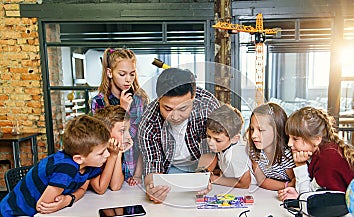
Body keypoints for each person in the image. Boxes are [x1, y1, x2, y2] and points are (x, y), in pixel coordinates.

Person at [0, 115, 111, 217]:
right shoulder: (65, 168)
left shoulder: (89, 164)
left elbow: (82, 189)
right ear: (78, 158)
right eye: (101, 153)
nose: (107, 155)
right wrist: (66, 201)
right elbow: (43, 206)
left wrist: (68, 199)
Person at [138, 67, 220, 203]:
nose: (175, 117)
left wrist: (201, 177)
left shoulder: (208, 107)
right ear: (158, 99)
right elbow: (153, 165)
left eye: (183, 108)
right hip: (170, 169)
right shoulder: (148, 123)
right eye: (167, 108)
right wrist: (152, 188)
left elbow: (210, 150)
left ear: (193, 97)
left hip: (203, 165)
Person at [278, 106, 354, 201]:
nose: (289, 144)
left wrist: (300, 166)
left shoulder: (328, 159)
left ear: (316, 139)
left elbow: (309, 198)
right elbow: (312, 190)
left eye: (295, 139)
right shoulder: (321, 152)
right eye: (289, 138)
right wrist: (298, 194)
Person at [91, 48, 148, 186]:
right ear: (110, 73)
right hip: (108, 169)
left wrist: (137, 174)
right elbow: (101, 140)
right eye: (122, 74)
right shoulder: (98, 102)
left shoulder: (140, 100)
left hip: (134, 168)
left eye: (132, 74)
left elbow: (143, 140)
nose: (128, 79)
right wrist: (122, 109)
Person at [247, 103, 296, 191]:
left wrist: (289, 186)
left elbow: (295, 183)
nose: (253, 135)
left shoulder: (287, 154)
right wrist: (286, 185)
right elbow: (262, 181)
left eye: (261, 130)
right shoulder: (254, 151)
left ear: (277, 130)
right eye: (252, 129)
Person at [205, 104, 251, 188]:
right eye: (208, 136)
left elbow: (245, 183)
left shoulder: (236, 155)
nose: (210, 142)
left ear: (234, 139)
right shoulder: (223, 145)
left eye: (217, 140)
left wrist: (213, 179)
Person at [91, 105, 133, 194]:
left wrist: (118, 153)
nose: (129, 137)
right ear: (106, 132)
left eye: (128, 130)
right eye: (122, 131)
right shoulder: (93, 153)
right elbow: (100, 189)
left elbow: (115, 186)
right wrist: (114, 155)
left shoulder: (112, 151)